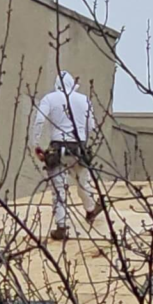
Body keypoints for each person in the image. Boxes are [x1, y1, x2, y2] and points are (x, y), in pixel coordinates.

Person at [31, 71, 103, 241]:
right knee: (83, 182)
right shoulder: (84, 99)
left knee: (59, 189)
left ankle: (61, 226)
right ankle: (91, 209)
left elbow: (39, 120)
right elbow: (91, 125)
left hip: (57, 148)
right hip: (79, 147)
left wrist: (36, 144)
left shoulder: (50, 98)